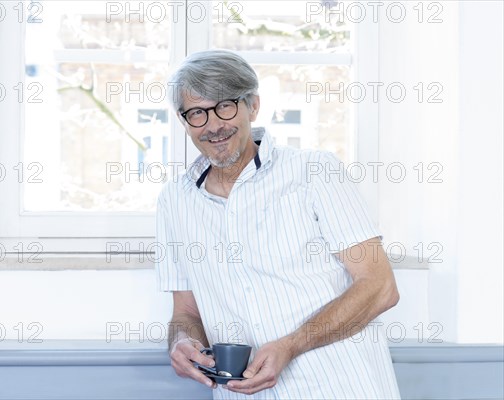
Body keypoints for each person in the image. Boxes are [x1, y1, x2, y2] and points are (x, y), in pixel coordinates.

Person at [156, 49, 401, 399]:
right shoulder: (174, 201)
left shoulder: (315, 171)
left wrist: (292, 345)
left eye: (225, 106)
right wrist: (182, 341)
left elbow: (380, 287)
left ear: (252, 105)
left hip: (340, 387)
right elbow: (186, 311)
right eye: (197, 113)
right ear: (183, 120)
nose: (213, 125)